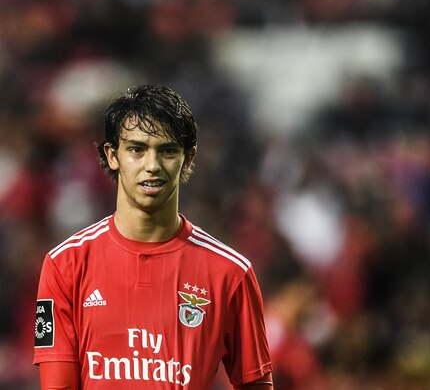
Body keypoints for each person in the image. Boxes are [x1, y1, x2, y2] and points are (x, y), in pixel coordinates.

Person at [33, 85, 273, 389]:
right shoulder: (65, 265)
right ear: (112, 155)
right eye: (136, 149)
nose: (152, 165)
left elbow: (256, 384)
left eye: (168, 150)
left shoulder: (231, 273)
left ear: (188, 158)